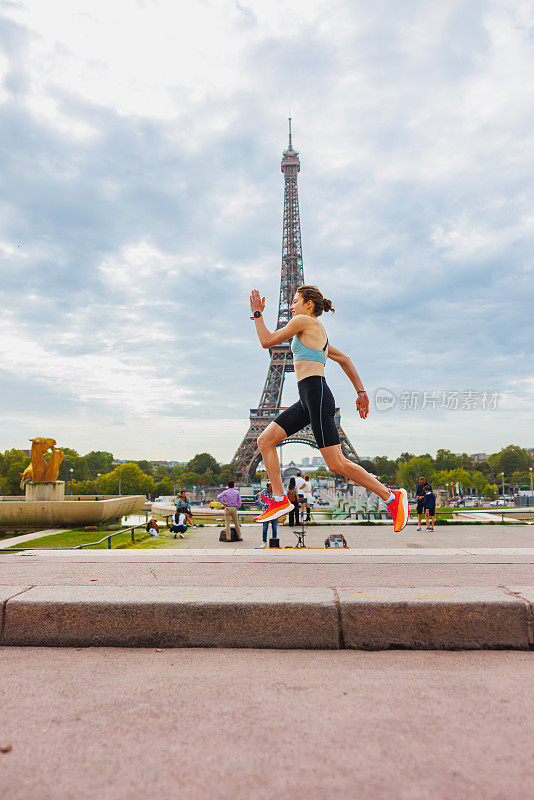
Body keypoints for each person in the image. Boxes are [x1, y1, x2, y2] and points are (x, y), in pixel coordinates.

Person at [249, 285, 408, 532]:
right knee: (264, 440)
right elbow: (345, 359)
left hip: (317, 394)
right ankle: (280, 499)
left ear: (308, 304)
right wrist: (361, 392)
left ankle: (391, 497)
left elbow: (266, 341)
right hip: (307, 398)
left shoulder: (303, 321)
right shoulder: (317, 334)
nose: (291, 306)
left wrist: (258, 315)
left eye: (294, 301)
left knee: (336, 463)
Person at [258, 482, 278, 547]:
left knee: (274, 527)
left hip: (274, 512)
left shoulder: (275, 492)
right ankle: (264, 541)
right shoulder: (263, 492)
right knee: (265, 527)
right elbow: (260, 501)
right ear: (268, 485)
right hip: (266, 512)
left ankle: (274, 541)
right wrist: (268, 505)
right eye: (271, 485)